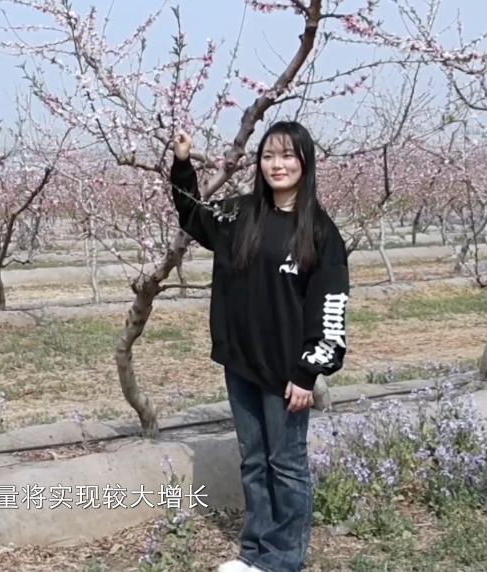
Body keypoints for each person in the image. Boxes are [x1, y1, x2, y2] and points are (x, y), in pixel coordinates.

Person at [169, 121, 350, 572]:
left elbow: (330, 311)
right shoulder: (241, 214)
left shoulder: (320, 233)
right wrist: (182, 163)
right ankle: (254, 554)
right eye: (269, 156)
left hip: (288, 371)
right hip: (241, 361)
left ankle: (283, 559)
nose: (277, 165)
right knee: (253, 461)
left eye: (287, 156)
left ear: (305, 162)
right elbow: (192, 214)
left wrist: (308, 372)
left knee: (285, 464)